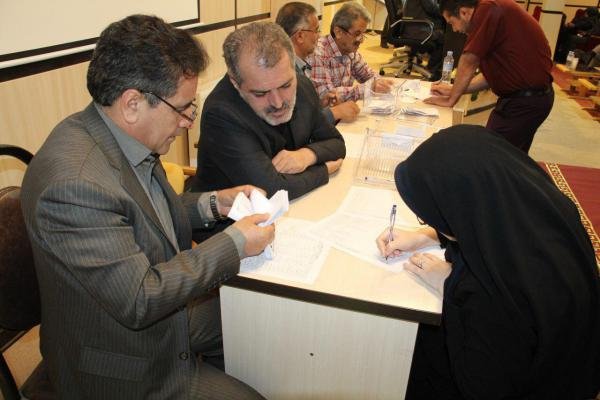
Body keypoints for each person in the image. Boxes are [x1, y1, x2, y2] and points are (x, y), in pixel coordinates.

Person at [20, 15, 274, 400]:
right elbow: (141, 299)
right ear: (133, 104)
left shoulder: (115, 134)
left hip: (157, 321)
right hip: (121, 364)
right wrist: (235, 244)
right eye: (183, 108)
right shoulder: (75, 185)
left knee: (259, 316)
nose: (187, 122)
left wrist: (214, 203)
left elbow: (143, 216)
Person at [376, 125, 600, 399]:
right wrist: (427, 235)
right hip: (573, 362)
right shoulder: (542, 207)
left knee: (403, 345)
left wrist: (450, 283)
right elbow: (484, 221)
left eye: (431, 217)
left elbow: (480, 386)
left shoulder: (498, 295)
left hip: (523, 384)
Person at [188, 22, 346, 201]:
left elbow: (337, 143)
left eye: (285, 85)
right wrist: (323, 170)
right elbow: (270, 189)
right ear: (235, 83)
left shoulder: (302, 86)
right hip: (235, 216)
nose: (278, 103)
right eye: (261, 93)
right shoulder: (220, 113)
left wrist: (307, 155)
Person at [424, 0, 554, 153]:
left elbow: (469, 60)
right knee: (509, 158)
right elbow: (490, 77)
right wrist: (455, 89)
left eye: (452, 23)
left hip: (525, 102)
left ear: (464, 12)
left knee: (490, 154)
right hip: (526, 100)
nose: (455, 29)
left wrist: (451, 99)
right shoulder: (492, 14)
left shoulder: (488, 9)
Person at [276, 1, 361, 123]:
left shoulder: (300, 65)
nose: (319, 36)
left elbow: (301, 109)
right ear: (300, 36)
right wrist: (333, 113)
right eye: (316, 30)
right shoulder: (285, 73)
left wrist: (320, 104)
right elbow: (293, 125)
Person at [306, 1, 394, 101]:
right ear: (338, 32)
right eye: (357, 34)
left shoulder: (351, 52)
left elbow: (369, 75)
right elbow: (327, 96)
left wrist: (379, 83)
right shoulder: (318, 53)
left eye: (363, 34)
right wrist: (368, 88)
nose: (361, 40)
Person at [402, 0, 446, 80]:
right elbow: (432, 8)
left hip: (413, 27)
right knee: (442, 38)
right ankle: (432, 71)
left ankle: (431, 67)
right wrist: (446, 9)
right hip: (417, 29)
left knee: (440, 31)